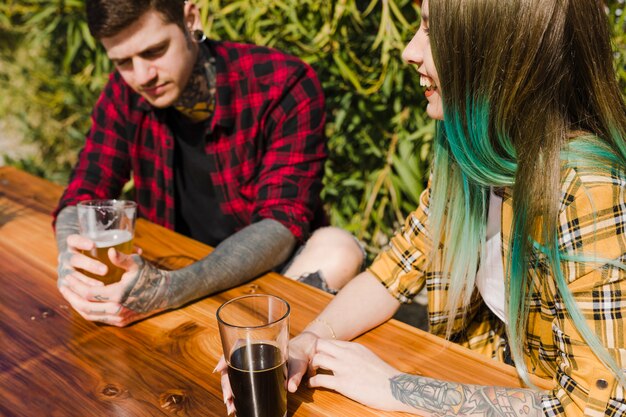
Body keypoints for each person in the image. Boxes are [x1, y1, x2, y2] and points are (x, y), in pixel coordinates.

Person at [216, 0, 626, 415]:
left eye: (431, 30)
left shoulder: (588, 192)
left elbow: (597, 406)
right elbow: (396, 268)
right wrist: (309, 339)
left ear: (500, 48)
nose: (408, 50)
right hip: (480, 371)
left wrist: (399, 388)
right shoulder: (468, 151)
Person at [53, 0, 364, 327]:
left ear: (190, 19)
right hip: (173, 270)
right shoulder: (125, 91)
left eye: (155, 51)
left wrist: (169, 290)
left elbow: (281, 223)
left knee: (338, 250)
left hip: (264, 276)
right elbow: (83, 193)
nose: (142, 76)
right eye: (122, 62)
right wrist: (72, 265)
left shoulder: (282, 83)